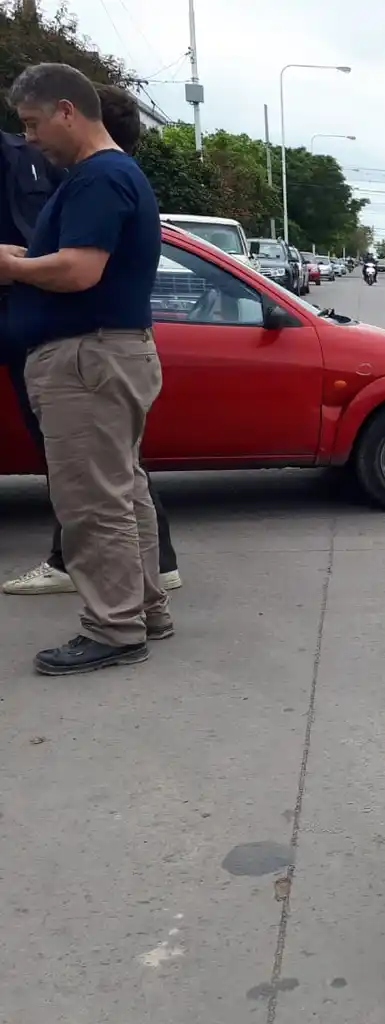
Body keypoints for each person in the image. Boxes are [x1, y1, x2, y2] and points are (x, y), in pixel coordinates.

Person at [0, 63, 171, 674]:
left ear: (67, 111)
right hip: (104, 355)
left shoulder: (98, 177)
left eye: (33, 123)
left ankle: (114, 629)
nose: (28, 138)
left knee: (92, 502)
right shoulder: (109, 174)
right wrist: (28, 258)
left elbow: (79, 270)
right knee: (122, 491)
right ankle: (143, 610)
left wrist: (13, 268)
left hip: (85, 360)